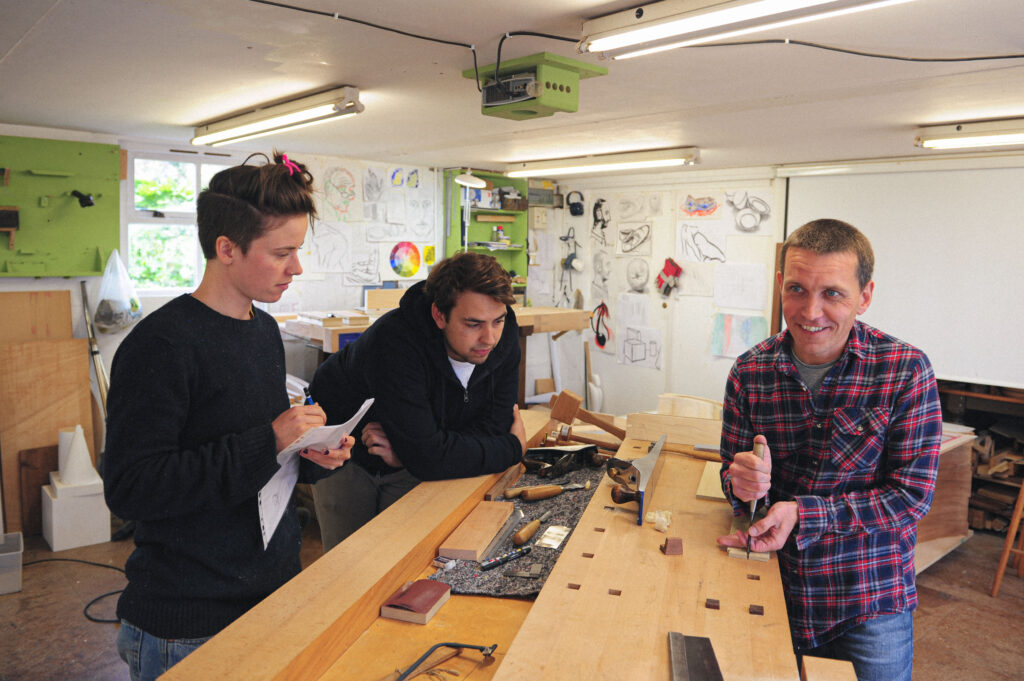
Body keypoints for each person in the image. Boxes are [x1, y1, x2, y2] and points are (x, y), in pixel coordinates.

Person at [103, 153, 354, 681]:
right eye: (282, 253)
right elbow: (132, 488)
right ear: (227, 249)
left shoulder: (262, 331)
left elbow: (257, 458)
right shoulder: (161, 346)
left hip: (270, 596)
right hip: (187, 624)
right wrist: (269, 439)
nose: (297, 268)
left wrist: (308, 454)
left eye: (298, 251)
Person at [716, 219, 942, 681]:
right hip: (771, 582)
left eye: (833, 294)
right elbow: (730, 474)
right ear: (780, 284)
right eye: (797, 289)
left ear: (866, 294)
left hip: (866, 599)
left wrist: (805, 513)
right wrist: (740, 482)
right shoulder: (749, 371)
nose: (810, 311)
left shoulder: (904, 371)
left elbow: (911, 497)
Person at [311, 251, 527, 549]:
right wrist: (514, 447)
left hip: (408, 449)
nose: (489, 338)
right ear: (440, 315)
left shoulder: (503, 336)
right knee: (348, 568)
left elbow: (488, 429)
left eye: (498, 320)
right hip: (347, 451)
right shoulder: (394, 341)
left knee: (405, 564)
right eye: (473, 324)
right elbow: (431, 455)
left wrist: (416, 452)